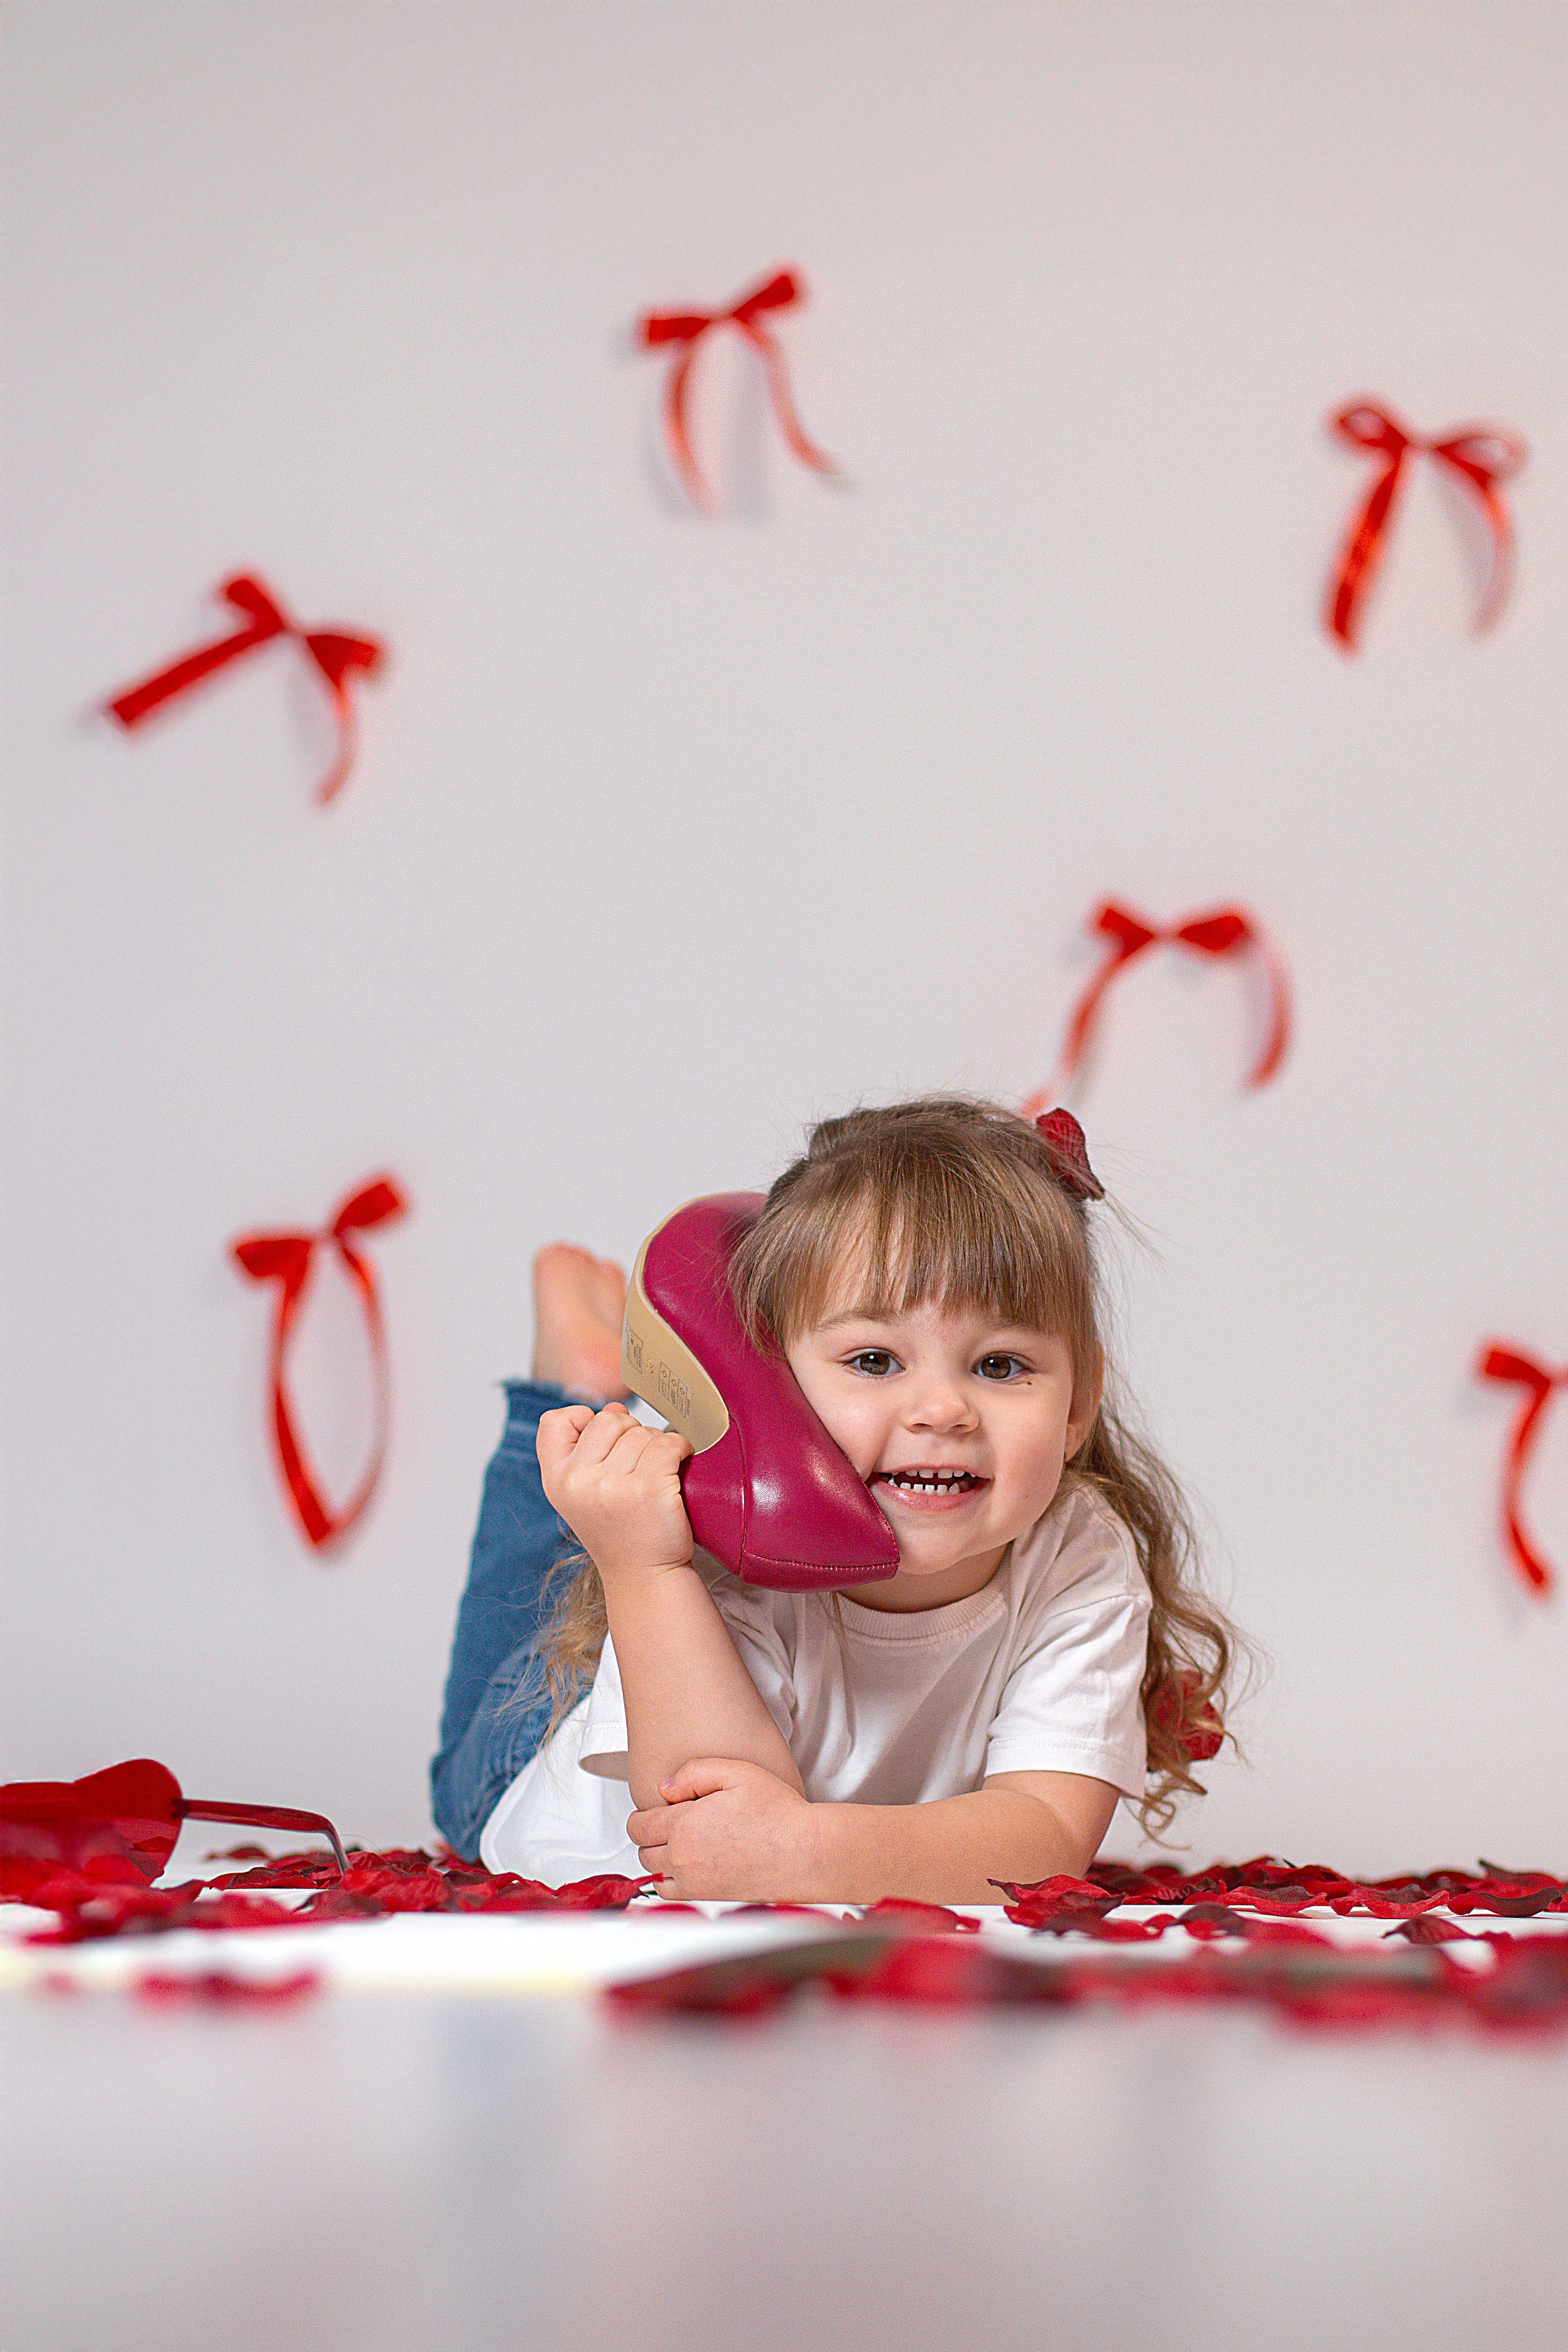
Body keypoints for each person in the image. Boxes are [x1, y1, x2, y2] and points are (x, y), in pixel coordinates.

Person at [431, 1096, 1238, 1903]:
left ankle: (614, 1395)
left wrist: (810, 1850)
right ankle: (563, 1392)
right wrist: (643, 1570)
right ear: (771, 1384)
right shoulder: (719, 1537)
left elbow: (1046, 1833)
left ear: (1077, 1402)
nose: (942, 1411)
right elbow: (707, 1819)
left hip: (797, 1824)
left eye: (998, 1366)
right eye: (877, 1361)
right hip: (536, 1754)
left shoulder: (1080, 1551)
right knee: (579, 1541)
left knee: (625, 1504)